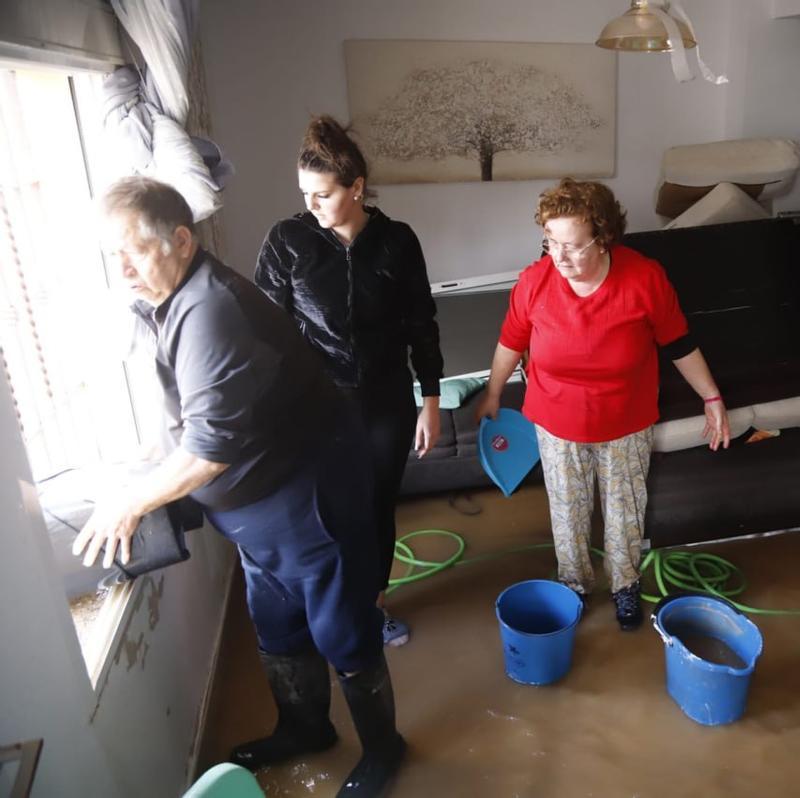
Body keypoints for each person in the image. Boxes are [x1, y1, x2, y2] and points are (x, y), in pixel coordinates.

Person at [73, 177, 406, 796]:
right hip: (256, 517)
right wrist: (144, 462)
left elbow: (210, 450)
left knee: (341, 630)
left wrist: (132, 502)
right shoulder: (165, 301)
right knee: (276, 624)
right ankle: (306, 728)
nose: (122, 270)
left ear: (180, 240)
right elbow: (191, 412)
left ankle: (385, 751)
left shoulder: (212, 311)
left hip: (308, 503)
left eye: (134, 252)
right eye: (111, 255)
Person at [477, 178, 730, 631]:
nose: (559, 257)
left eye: (573, 246)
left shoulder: (644, 278)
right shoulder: (534, 282)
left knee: (624, 510)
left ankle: (625, 584)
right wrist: (493, 393)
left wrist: (711, 398)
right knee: (568, 511)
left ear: (604, 237)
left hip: (625, 421)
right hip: (556, 420)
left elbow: (679, 343)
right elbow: (510, 341)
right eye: (550, 242)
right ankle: (574, 584)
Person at [256, 115, 444, 648]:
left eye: (323, 194)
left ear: (356, 187)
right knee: (326, 510)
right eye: (305, 194)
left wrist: (430, 399)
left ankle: (372, 607)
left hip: (386, 401)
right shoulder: (288, 241)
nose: (311, 205)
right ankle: (330, 610)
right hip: (316, 406)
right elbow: (265, 331)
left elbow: (421, 323)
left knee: (376, 506)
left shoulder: (397, 242)